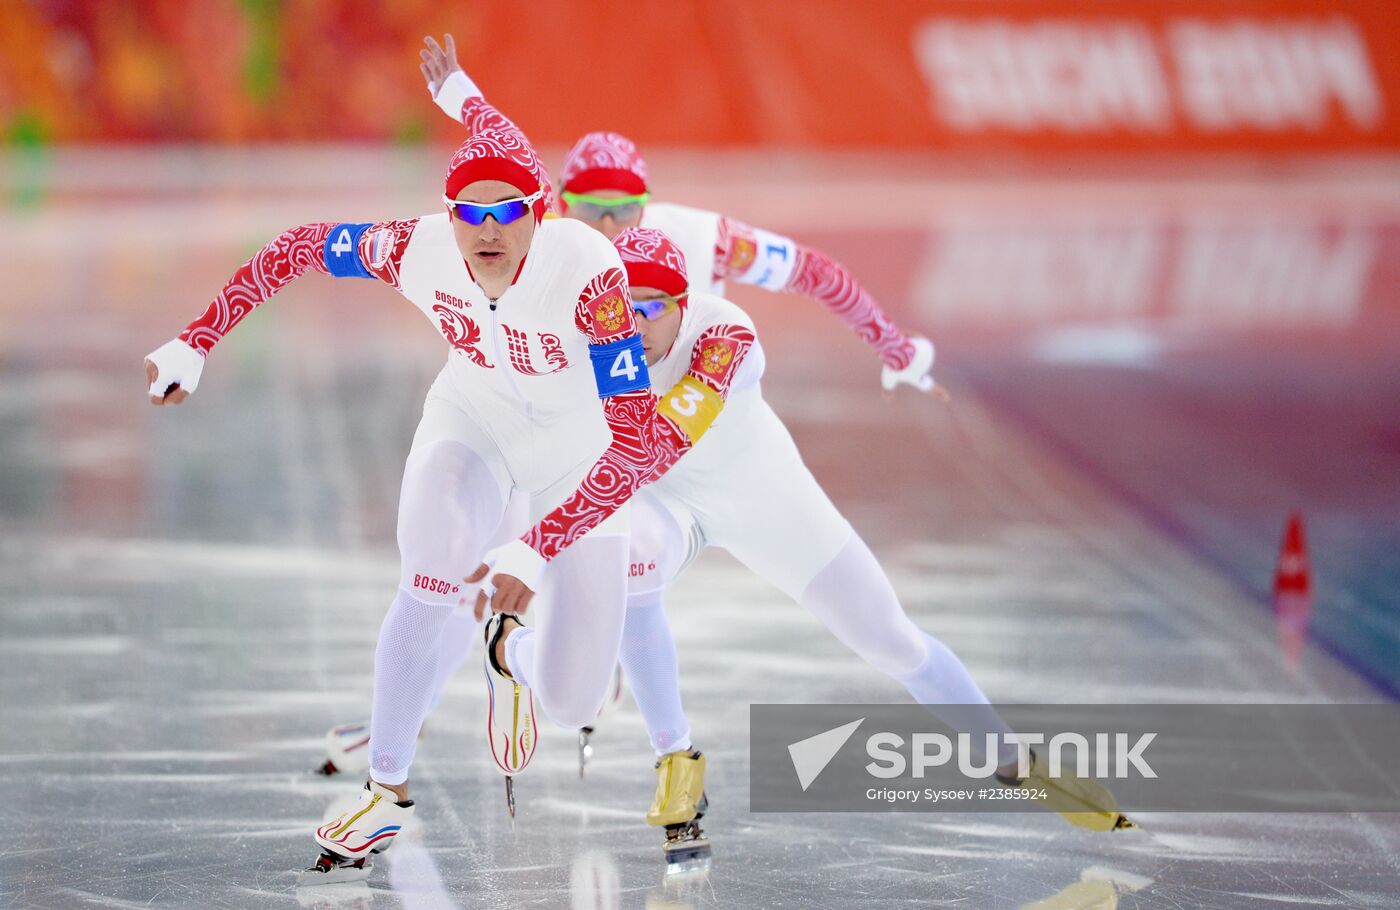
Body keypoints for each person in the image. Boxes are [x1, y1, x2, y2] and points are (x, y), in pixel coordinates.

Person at [143, 117, 709, 883]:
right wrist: (196, 341)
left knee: (575, 703)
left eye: (507, 211)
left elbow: (633, 443)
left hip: (579, 457)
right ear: (448, 217)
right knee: (432, 565)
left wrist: (537, 547)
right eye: (468, 213)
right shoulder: (417, 249)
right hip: (473, 423)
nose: (486, 229)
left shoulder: (588, 272)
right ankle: (386, 789)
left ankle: (511, 648)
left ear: (540, 212)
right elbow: (296, 248)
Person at [418, 34, 938, 398]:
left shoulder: (700, 238)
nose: (606, 228)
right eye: (591, 210)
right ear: (556, 202)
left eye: (621, 213)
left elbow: (815, 272)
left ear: (645, 206)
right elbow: (506, 140)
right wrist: (459, 95)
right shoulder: (537, 233)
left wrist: (893, 347)